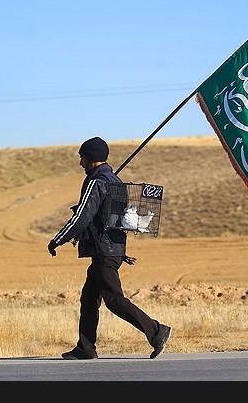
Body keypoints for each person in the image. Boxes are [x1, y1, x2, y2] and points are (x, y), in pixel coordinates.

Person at [47, 136, 172, 360]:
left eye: (83, 158)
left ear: (92, 159)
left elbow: (82, 216)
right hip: (111, 250)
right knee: (88, 299)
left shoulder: (97, 182)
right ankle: (85, 348)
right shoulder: (114, 180)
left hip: (104, 252)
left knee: (114, 301)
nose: (80, 163)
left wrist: (58, 239)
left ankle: (156, 331)